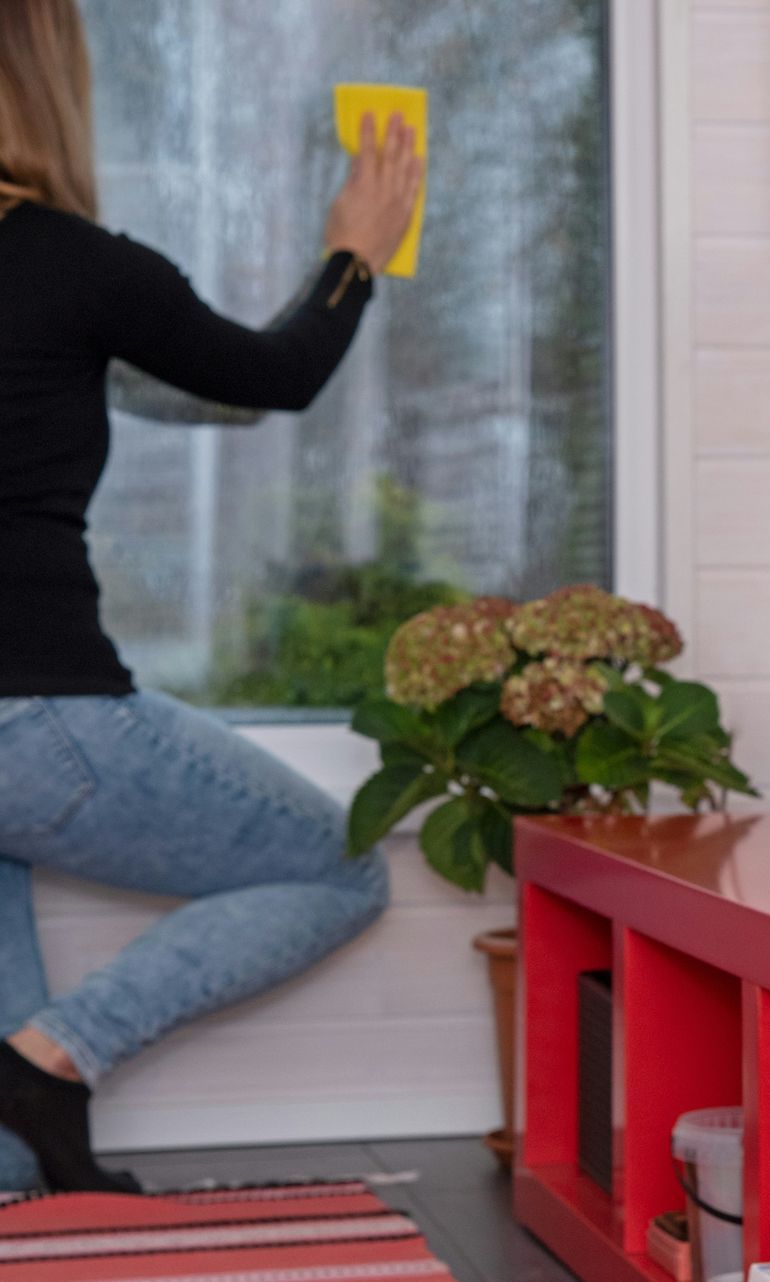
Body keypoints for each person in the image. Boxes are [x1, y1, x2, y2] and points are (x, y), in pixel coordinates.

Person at [0, 0, 423, 1193]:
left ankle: (24, 1118)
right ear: (49, 85)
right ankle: (53, 1058)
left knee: (6, 1171)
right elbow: (271, 376)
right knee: (343, 870)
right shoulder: (76, 265)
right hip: (33, 714)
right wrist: (355, 253)